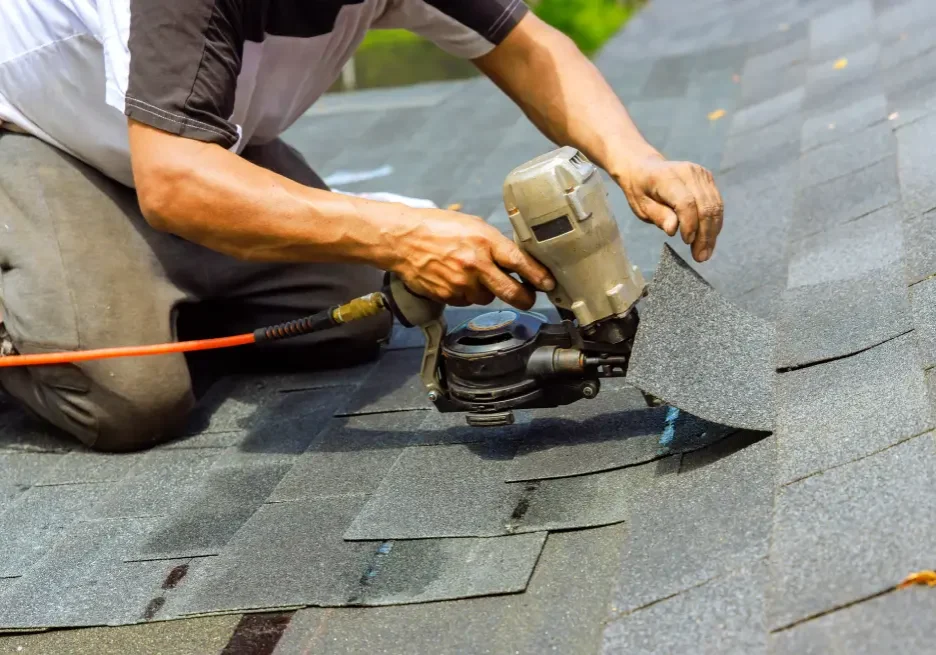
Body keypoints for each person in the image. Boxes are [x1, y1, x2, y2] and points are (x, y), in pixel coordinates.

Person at [0, 1, 724, 452]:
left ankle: (143, 282)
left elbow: (529, 47)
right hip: (35, 137)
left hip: (182, 145)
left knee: (353, 311)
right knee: (130, 397)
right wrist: (399, 232)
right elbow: (174, 181)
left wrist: (636, 160)